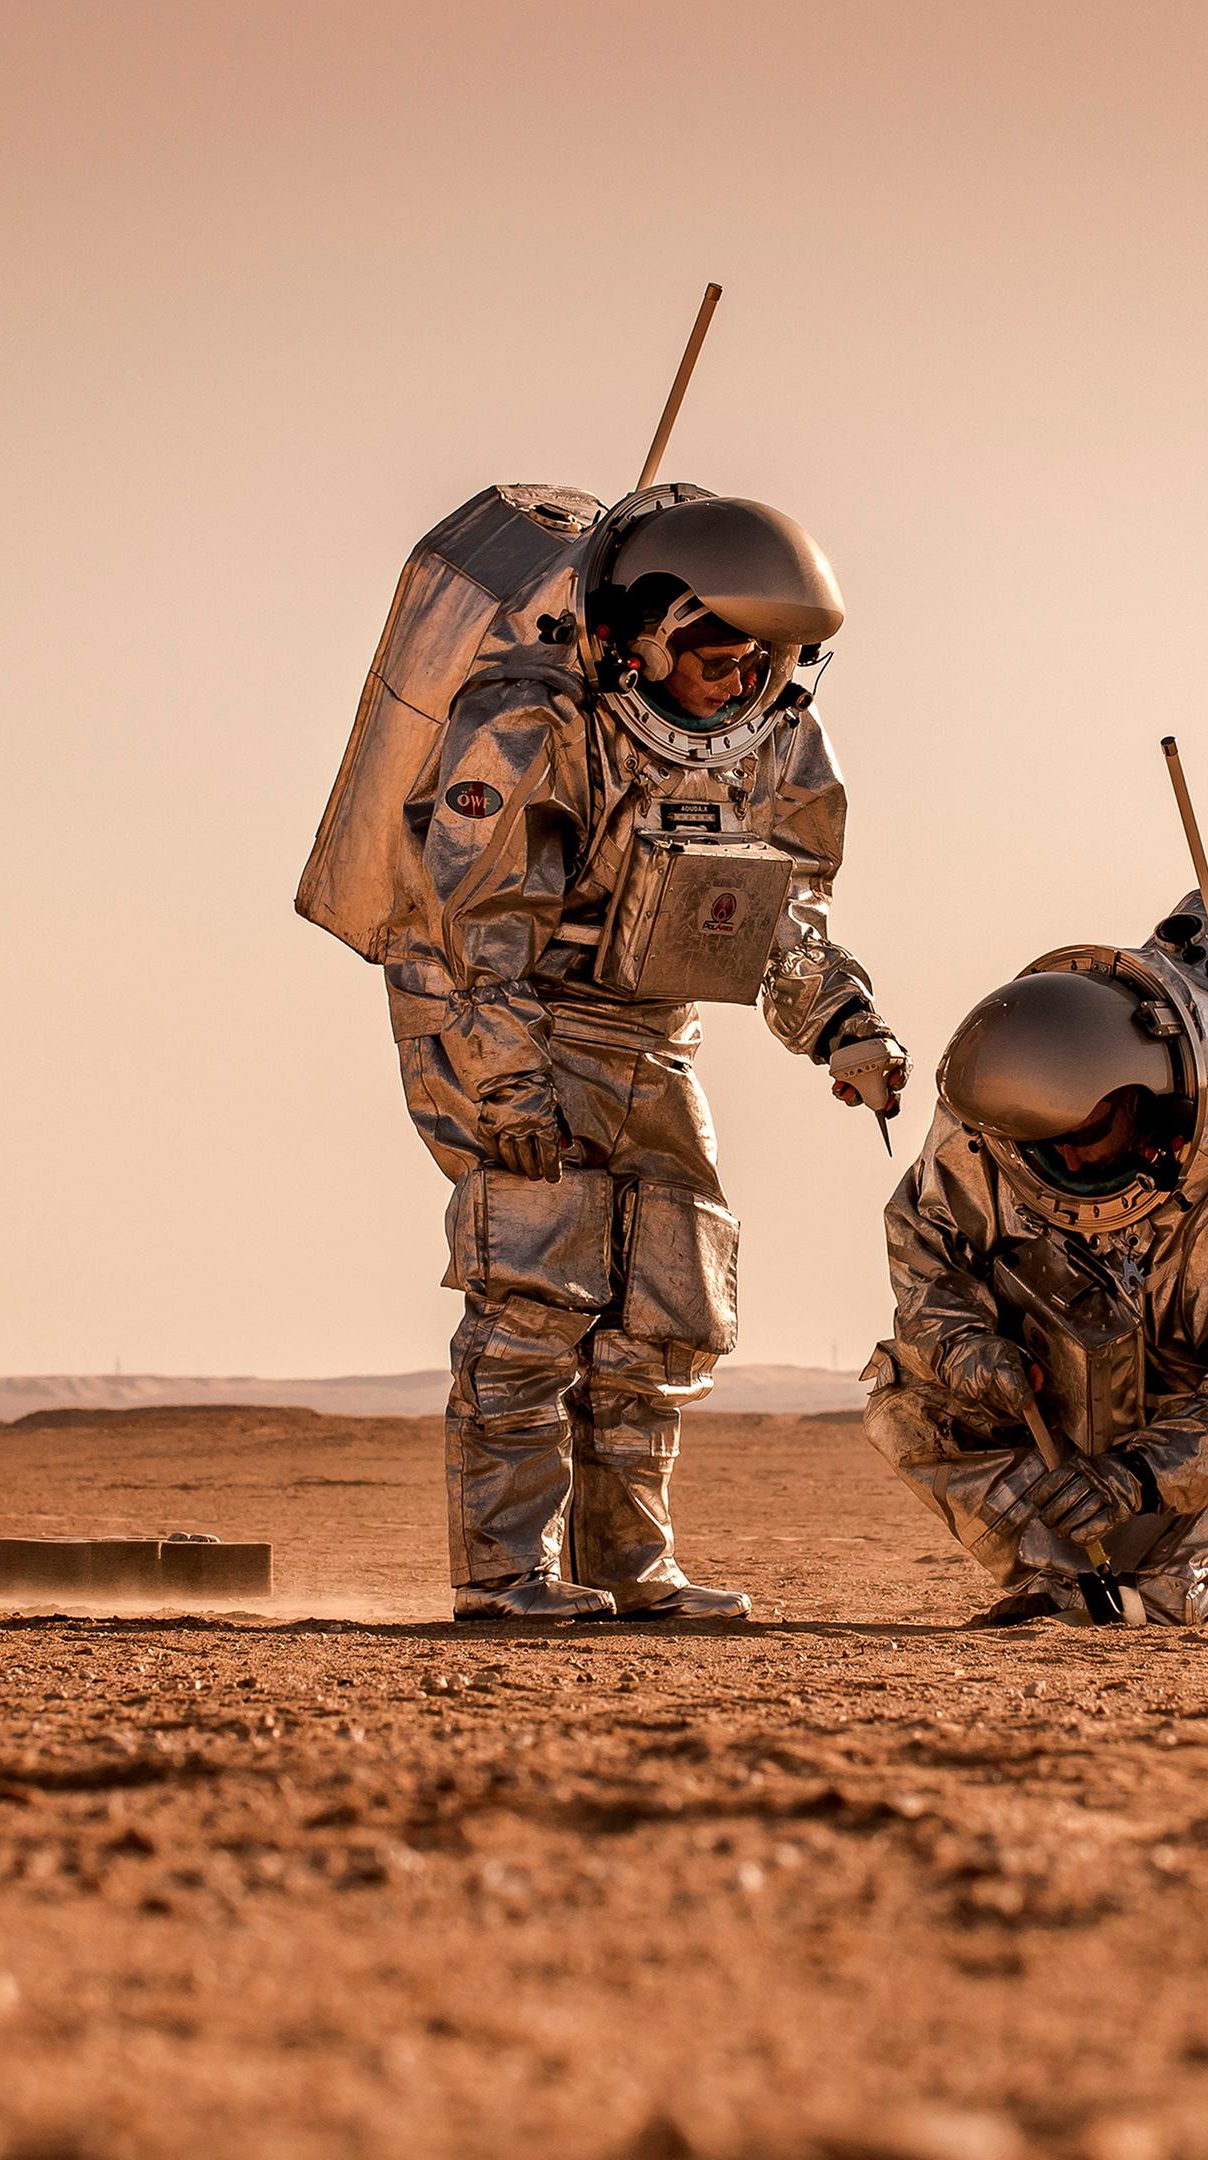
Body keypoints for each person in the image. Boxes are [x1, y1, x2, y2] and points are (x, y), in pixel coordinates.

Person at [390, 488, 907, 1622]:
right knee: (534, 1299)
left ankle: (627, 1567)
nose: (738, 686)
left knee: (667, 1312)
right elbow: (473, 930)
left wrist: (846, 1027)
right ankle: (507, 1573)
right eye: (717, 659)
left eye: (760, 664)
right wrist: (508, 1080)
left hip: (652, 1039)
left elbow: (781, 919)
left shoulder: (775, 744)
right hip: (521, 1020)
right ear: (645, 630)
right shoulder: (536, 721)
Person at [865, 959, 1208, 1626]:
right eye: (1047, 1144)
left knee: (1164, 1602)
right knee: (907, 1398)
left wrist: (1136, 1476)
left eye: (1086, 1135)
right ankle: (1062, 1579)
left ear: (1143, 1094)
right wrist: (966, 1348)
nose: (1069, 1160)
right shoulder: (994, 1116)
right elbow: (927, 1252)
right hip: (1081, 1378)